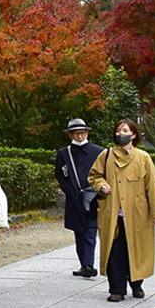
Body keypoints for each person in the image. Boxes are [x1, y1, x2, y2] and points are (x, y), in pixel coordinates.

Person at [89, 118, 155, 302]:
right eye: (119, 130)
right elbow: (94, 175)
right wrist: (102, 186)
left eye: (125, 130)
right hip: (112, 213)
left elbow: (152, 186)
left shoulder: (143, 157)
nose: (121, 134)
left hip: (138, 213)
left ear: (134, 134)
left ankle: (137, 284)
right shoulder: (106, 156)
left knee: (137, 249)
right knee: (115, 251)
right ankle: (117, 289)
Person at [54, 118, 103, 277]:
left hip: (93, 196)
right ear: (70, 135)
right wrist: (69, 190)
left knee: (90, 231)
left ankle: (88, 264)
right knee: (78, 231)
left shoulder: (99, 151)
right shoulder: (64, 153)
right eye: (76, 133)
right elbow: (60, 174)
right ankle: (84, 263)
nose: (80, 136)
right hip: (74, 197)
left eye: (82, 133)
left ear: (87, 133)